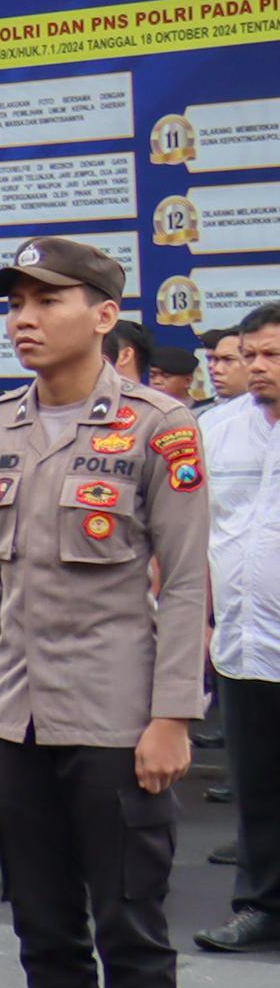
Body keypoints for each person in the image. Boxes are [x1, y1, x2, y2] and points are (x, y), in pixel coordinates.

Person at [0, 237, 210, 988]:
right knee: (44, 923)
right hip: (20, 716)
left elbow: (188, 584)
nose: (24, 317)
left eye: (47, 299)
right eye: (16, 301)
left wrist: (174, 717)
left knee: (130, 925)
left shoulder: (161, 426)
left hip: (117, 716)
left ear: (104, 315)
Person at [200, 301, 280, 954]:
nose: (257, 367)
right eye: (250, 354)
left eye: (271, 355)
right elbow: (195, 532)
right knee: (257, 787)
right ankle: (259, 905)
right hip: (242, 643)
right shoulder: (216, 429)